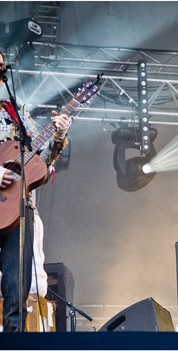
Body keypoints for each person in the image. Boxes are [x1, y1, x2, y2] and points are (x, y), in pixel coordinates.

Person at [0, 51, 72, 332]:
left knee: (17, 285)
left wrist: (58, 135)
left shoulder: (13, 111)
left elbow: (40, 163)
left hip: (18, 209)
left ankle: (14, 342)